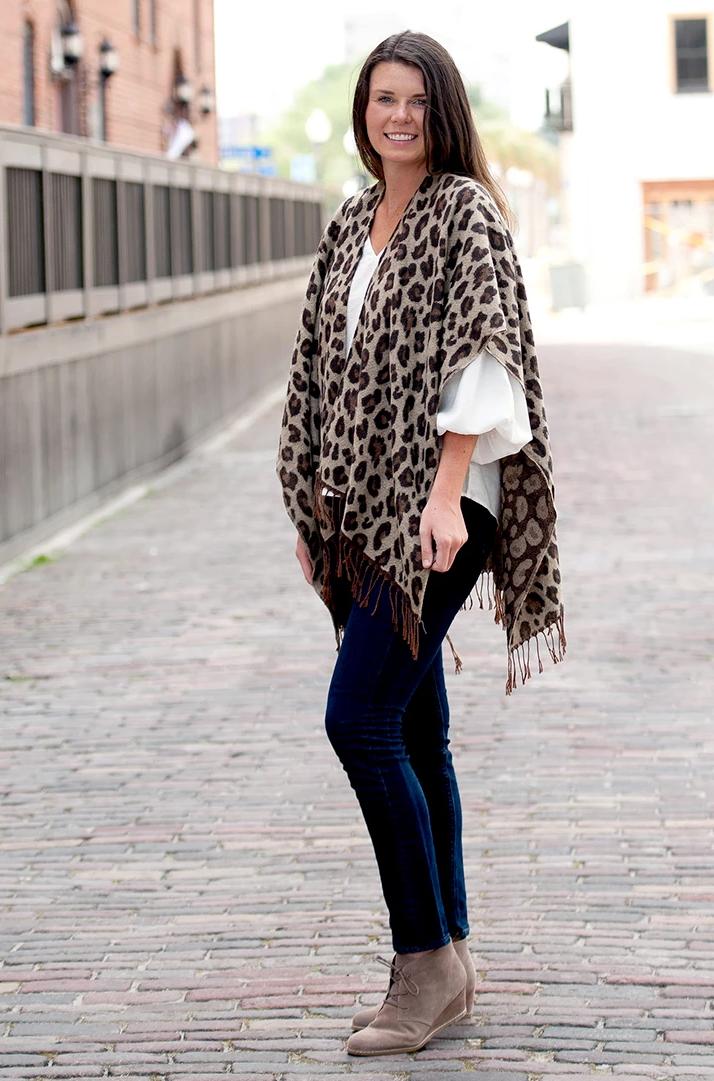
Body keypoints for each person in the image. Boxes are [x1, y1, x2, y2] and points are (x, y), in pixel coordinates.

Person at [276, 30, 566, 1058]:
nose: (398, 116)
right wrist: (320, 515)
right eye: (382, 99)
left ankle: (425, 958)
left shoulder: (463, 211)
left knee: (357, 719)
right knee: (412, 727)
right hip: (366, 513)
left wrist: (445, 498)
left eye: (416, 100)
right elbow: (321, 369)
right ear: (364, 111)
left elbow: (484, 359)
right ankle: (451, 955)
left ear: (443, 111)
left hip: (444, 507)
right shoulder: (353, 219)